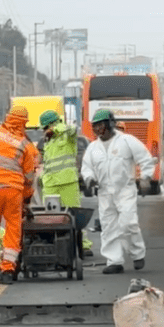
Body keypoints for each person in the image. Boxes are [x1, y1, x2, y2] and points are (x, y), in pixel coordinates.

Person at [81, 109, 157, 274]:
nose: (98, 130)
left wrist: (145, 178)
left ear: (110, 124)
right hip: (104, 193)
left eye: (101, 125)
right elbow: (86, 168)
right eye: (95, 127)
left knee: (128, 223)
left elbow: (146, 159)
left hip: (125, 190)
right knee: (108, 227)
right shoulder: (93, 148)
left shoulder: (127, 141)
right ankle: (114, 260)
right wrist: (89, 179)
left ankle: (137, 254)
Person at [0, 105, 39, 284]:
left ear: (8, 117)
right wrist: (27, 199)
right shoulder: (26, 146)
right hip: (13, 190)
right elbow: (28, 178)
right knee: (13, 229)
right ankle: (8, 271)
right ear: (24, 123)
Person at [38, 110, 94, 257]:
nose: (44, 131)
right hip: (50, 183)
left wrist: (54, 129)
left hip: (67, 181)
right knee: (50, 216)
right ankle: (53, 243)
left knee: (74, 214)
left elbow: (72, 129)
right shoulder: (47, 141)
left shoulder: (67, 134)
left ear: (52, 124)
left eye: (45, 127)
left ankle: (83, 245)